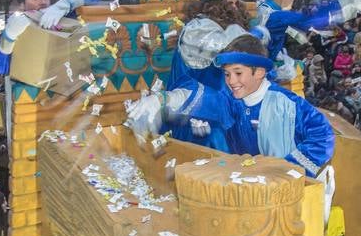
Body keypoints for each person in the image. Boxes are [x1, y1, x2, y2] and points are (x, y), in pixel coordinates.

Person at [128, 35, 335, 179]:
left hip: (286, 195)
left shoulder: (288, 104)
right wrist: (161, 100)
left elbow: (323, 135)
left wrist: (288, 169)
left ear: (260, 72)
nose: (231, 81)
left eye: (238, 73)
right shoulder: (232, 102)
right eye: (227, 74)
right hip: (250, 190)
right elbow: (201, 97)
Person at [0, 0, 100, 77]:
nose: (43, 1)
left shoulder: (61, 17)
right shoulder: (16, 28)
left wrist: (65, 4)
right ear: (21, 4)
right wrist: (9, 36)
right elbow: (0, 66)